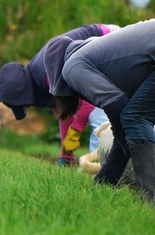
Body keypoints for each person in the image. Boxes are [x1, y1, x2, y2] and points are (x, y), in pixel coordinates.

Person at [45, 19, 155, 203]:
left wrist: (128, 146)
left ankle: (150, 202)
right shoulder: (101, 55)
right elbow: (124, 126)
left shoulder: (73, 66)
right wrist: (103, 183)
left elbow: (119, 113)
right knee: (134, 119)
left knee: (134, 119)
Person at [0, 23, 119, 166]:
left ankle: (104, 168)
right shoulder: (39, 81)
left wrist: (75, 132)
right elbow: (64, 112)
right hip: (95, 55)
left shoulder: (46, 74)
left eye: (23, 103)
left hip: (108, 38)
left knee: (98, 115)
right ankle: (105, 165)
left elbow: (88, 100)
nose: (28, 106)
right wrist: (66, 156)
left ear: (23, 92)